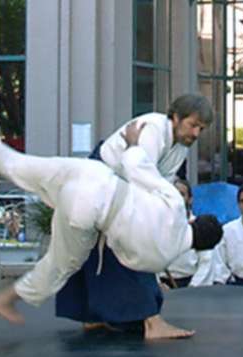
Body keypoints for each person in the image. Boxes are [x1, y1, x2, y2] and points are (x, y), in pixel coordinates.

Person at [0, 113, 222, 329]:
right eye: (194, 125)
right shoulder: (160, 258)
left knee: (16, 163)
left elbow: (137, 167)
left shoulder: (171, 200)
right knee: (61, 265)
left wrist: (132, 146)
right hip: (90, 210)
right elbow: (123, 255)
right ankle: (6, 299)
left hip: (91, 173)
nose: (196, 133)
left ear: (195, 218)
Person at [56, 93, 214, 339]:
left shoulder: (180, 148)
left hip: (114, 186)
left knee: (100, 250)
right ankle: (152, 322)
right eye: (192, 125)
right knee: (136, 248)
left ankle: (92, 315)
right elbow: (137, 173)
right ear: (175, 117)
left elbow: (161, 184)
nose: (195, 134)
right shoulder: (151, 129)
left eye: (201, 129)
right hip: (103, 180)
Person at [159, 178, 214, 289]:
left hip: (190, 283)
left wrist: (193, 287)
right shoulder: (158, 225)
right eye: (174, 194)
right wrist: (157, 284)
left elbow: (206, 262)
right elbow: (147, 256)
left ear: (190, 199)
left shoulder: (198, 226)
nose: (177, 198)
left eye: (182, 194)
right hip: (162, 284)